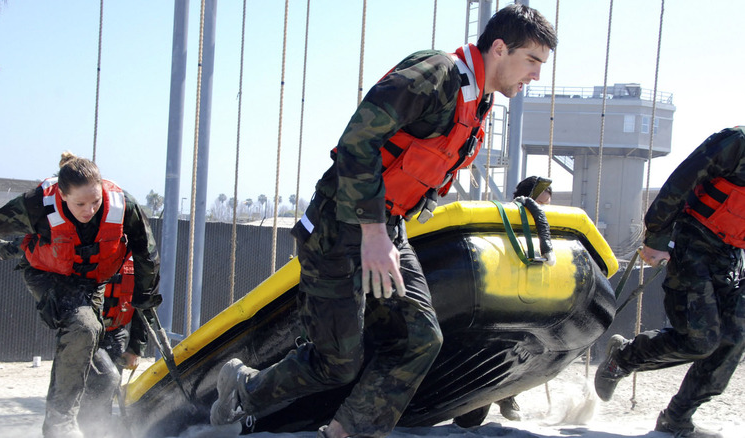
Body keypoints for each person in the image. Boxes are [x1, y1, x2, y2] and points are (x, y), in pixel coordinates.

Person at [210, 4, 557, 438]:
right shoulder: (437, 74)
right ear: (500, 48)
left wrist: (387, 232)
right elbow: (357, 141)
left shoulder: (479, 104)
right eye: (533, 62)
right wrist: (373, 233)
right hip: (339, 226)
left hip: (388, 231)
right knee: (337, 363)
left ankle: (345, 433)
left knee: (420, 339)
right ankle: (243, 388)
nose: (536, 76)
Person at [0, 152, 161, 438]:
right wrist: (3, 248)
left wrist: (139, 339)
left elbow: (148, 262)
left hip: (90, 282)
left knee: (101, 364)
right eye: (80, 203)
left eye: (95, 201)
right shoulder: (35, 205)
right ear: (62, 194)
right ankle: (60, 425)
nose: (90, 210)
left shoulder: (124, 207)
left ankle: (93, 427)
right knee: (84, 327)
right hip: (47, 275)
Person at [594, 127, 745, 438]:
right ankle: (622, 358)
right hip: (694, 243)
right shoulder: (738, 143)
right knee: (700, 340)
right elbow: (682, 180)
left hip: (733, 256)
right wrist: (658, 235)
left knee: (735, 335)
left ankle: (677, 418)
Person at [0, 238, 149, 436]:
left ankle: (96, 431)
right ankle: (74, 429)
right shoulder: (86, 243)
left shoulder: (140, 261)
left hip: (116, 333)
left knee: (106, 389)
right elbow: (39, 247)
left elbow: (146, 307)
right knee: (105, 379)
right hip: (85, 332)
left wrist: (135, 348)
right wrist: (4, 247)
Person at [452, 176, 553, 427]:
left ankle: (507, 395)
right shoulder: (502, 222)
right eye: (541, 203)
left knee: (524, 353)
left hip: (528, 301)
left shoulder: (548, 230)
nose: (544, 210)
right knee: (486, 360)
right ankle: (470, 417)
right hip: (497, 301)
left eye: (546, 205)